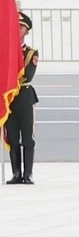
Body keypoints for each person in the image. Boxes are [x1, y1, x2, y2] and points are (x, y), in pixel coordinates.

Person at [4, 10, 35, 185]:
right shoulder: (5, 52)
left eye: (21, 28)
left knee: (27, 138)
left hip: (24, 96)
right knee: (13, 137)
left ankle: (28, 173)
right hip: (10, 99)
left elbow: (27, 75)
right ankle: (16, 173)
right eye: (16, 27)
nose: (18, 30)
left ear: (26, 31)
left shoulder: (30, 53)